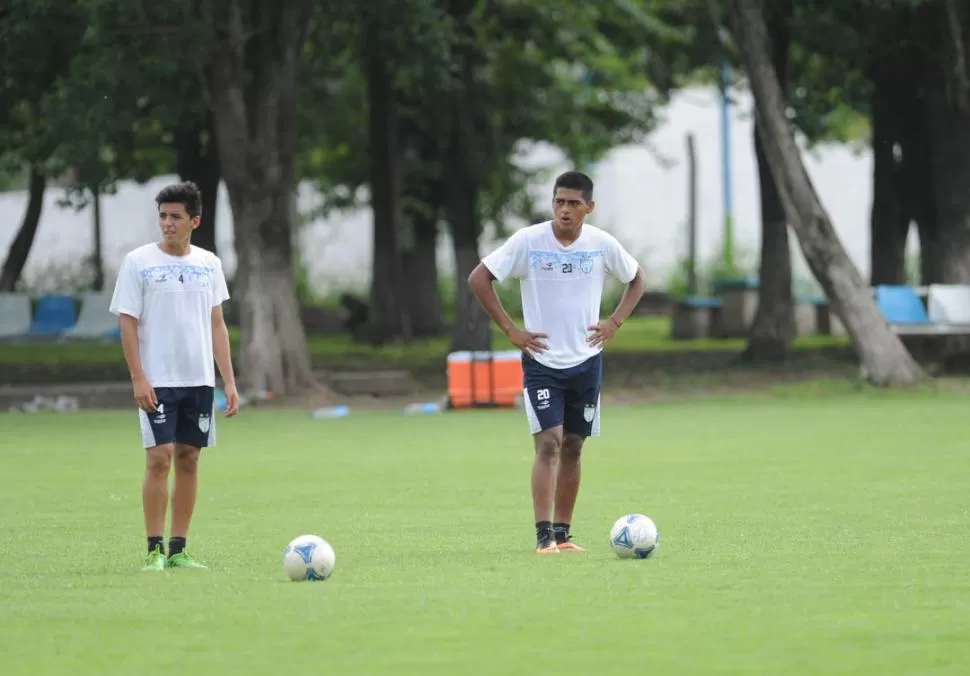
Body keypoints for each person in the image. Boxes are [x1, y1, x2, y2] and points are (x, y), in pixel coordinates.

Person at [467, 170, 645, 554]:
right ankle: (542, 536)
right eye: (559, 202)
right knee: (549, 442)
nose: (564, 210)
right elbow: (479, 278)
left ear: (589, 208)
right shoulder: (529, 241)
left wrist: (614, 322)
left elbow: (637, 279)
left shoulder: (600, 244)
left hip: (587, 361)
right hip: (542, 361)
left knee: (574, 446)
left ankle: (563, 535)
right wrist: (511, 330)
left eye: (573, 203)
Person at [109, 181, 240, 571]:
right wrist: (138, 377)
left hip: (198, 379)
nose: (167, 223)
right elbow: (128, 324)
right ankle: (154, 550)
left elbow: (217, 324)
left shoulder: (209, 264)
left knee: (189, 459)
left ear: (194, 221)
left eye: (175, 217)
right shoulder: (138, 262)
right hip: (157, 379)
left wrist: (228, 381)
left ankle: (179, 548)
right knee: (159, 459)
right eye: (162, 216)